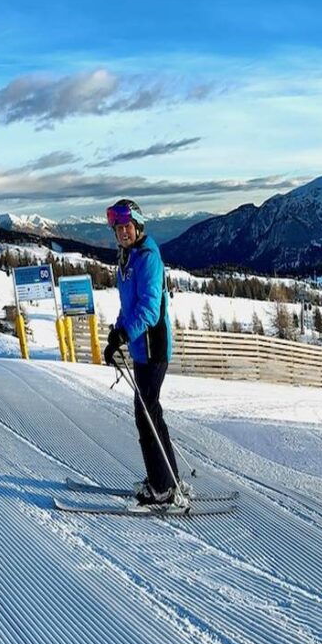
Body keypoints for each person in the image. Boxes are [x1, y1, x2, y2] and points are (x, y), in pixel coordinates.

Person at [101, 199, 184, 507]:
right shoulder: (127, 257)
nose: (122, 232)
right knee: (151, 414)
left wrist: (125, 333)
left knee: (146, 416)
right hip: (140, 348)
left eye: (126, 226)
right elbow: (130, 306)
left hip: (154, 346)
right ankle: (167, 479)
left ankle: (162, 487)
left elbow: (149, 309)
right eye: (118, 228)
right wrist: (116, 334)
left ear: (138, 225)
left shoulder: (147, 257)